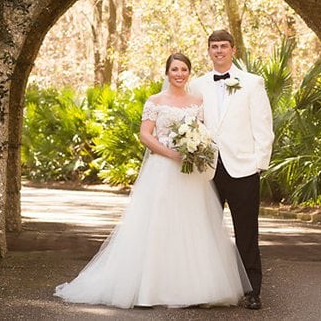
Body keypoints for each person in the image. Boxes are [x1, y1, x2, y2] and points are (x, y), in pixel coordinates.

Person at [54, 53, 251, 309]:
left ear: (188, 73)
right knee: (158, 224)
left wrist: (195, 149)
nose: (179, 74)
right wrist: (171, 154)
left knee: (192, 225)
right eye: (174, 69)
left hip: (190, 174)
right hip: (162, 170)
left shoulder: (198, 101)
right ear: (167, 72)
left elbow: (203, 132)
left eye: (183, 69)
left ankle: (194, 288)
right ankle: (149, 289)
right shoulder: (155, 101)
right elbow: (145, 135)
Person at [192, 30, 274, 310]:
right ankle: (204, 288)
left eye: (223, 46)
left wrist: (259, 164)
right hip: (207, 169)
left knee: (247, 232)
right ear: (209, 51)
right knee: (205, 230)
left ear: (233, 49)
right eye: (214, 47)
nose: (218, 51)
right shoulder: (198, 84)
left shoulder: (252, 83)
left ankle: (252, 291)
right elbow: (193, 123)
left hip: (243, 168)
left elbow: (263, 126)